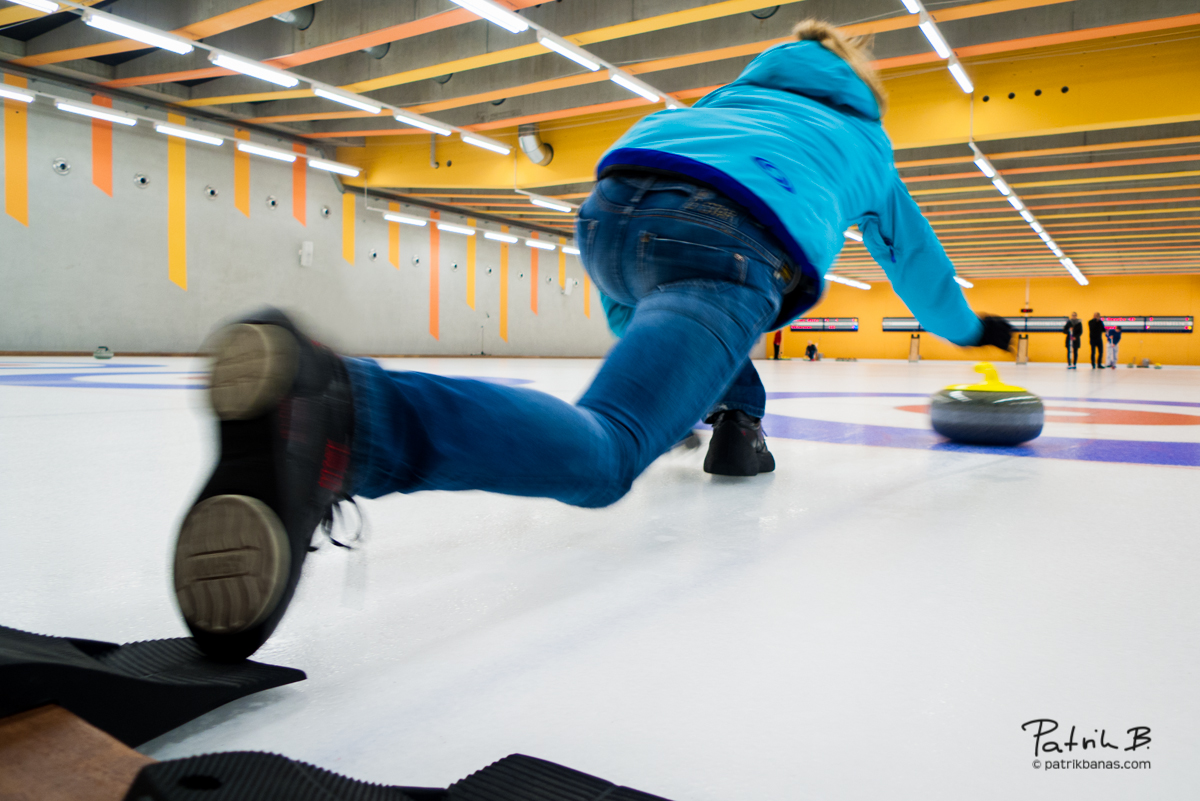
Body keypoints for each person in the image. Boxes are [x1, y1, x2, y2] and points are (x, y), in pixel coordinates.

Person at [171, 20, 1015, 661]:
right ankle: (356, 418)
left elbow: (630, 303)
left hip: (614, 207)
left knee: (663, 372)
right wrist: (974, 328)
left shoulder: (730, 102)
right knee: (608, 450)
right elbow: (918, 267)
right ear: (864, 90)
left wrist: (653, 366)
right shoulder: (865, 141)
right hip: (734, 238)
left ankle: (721, 414)